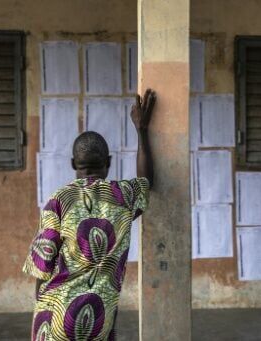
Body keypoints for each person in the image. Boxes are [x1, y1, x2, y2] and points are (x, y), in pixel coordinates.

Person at [22, 89, 156, 340]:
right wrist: (142, 131)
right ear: (108, 161)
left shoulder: (58, 200)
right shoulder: (122, 197)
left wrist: (41, 305)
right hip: (98, 314)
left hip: (55, 311)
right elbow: (147, 180)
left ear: (74, 164)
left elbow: (43, 265)